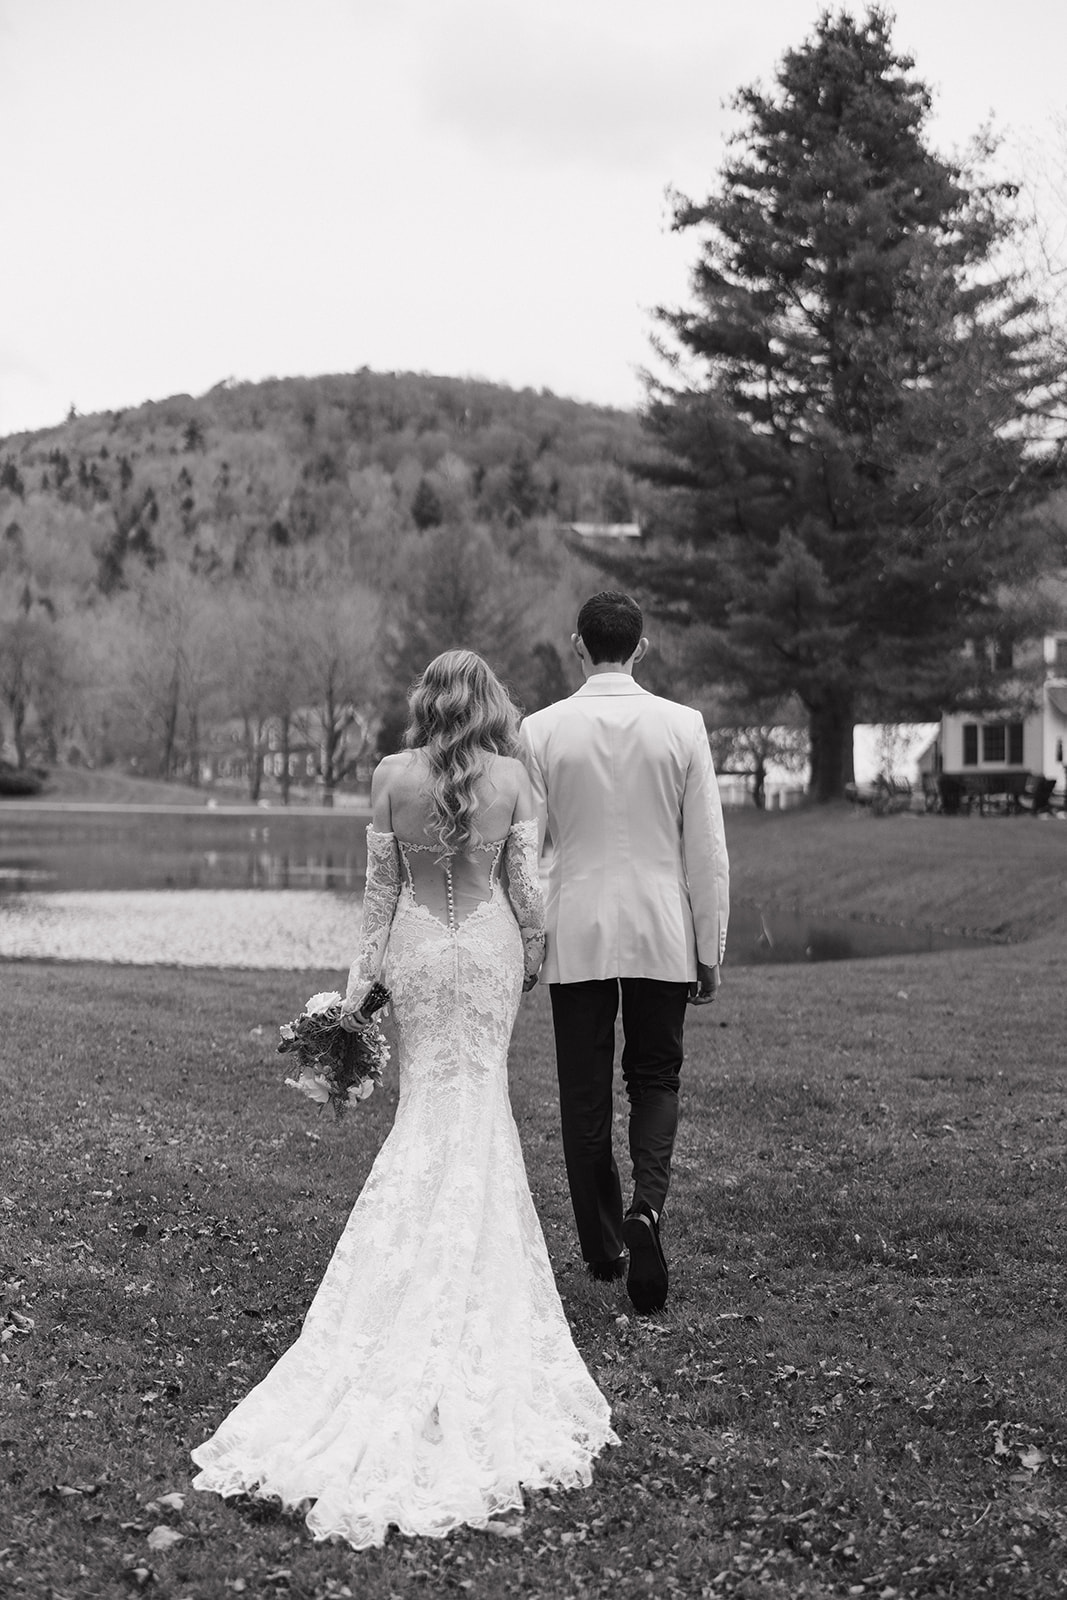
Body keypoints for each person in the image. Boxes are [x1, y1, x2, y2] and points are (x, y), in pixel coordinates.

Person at [191, 650, 615, 1548]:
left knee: (428, 1109)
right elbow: (527, 892)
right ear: (491, 704)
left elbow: (378, 902)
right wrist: (536, 956)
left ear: (427, 703)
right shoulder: (512, 777)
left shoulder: (389, 777)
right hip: (488, 950)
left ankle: (403, 1274)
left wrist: (352, 1004)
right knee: (481, 1103)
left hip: (418, 953)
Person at [518, 592, 729, 1315]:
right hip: (659, 927)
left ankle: (606, 1246)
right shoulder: (683, 725)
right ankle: (648, 1207)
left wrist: (526, 938)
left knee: (584, 1093)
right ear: (642, 647)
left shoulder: (539, 730)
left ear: (577, 644)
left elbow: (527, 852)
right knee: (654, 1075)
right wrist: (709, 947)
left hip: (575, 926)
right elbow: (705, 849)